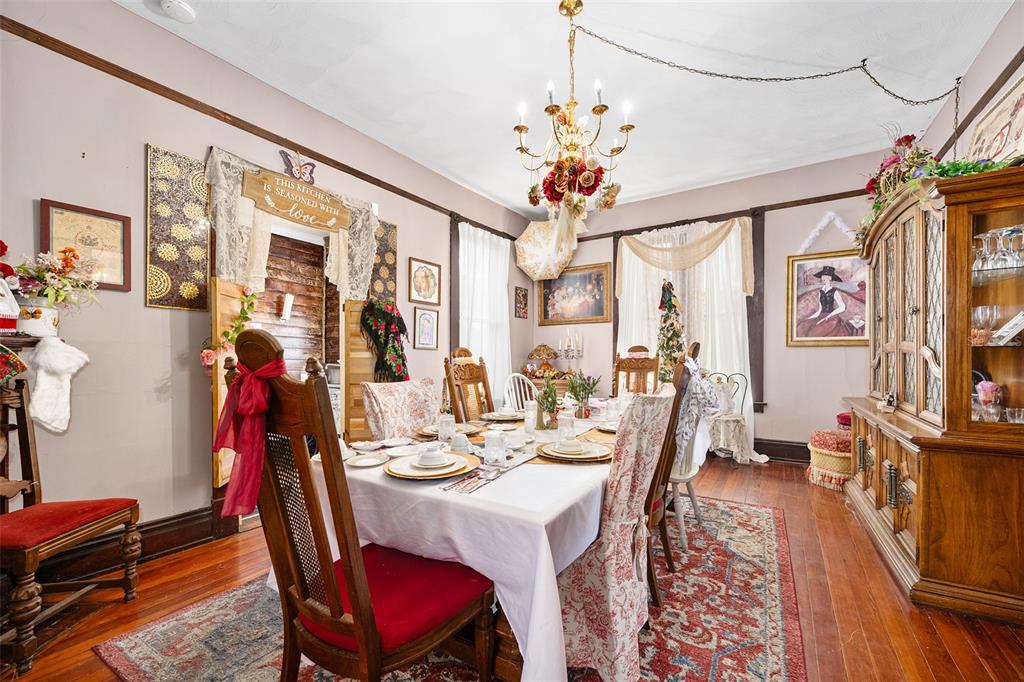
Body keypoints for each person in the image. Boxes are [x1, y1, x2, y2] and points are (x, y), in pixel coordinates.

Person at [797, 265, 857, 338]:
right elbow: (820, 310)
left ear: (830, 278)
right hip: (821, 316)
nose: (824, 278)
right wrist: (810, 318)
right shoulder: (821, 292)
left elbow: (842, 307)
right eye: (823, 276)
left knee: (818, 331)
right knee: (804, 326)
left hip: (832, 317)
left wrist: (829, 316)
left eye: (827, 276)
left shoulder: (834, 291)